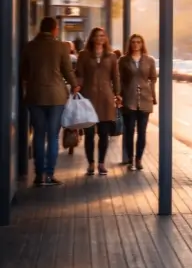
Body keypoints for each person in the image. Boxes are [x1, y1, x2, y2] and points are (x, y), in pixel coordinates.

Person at [20, 17, 80, 186]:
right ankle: (49, 174)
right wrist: (75, 85)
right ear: (55, 29)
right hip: (56, 97)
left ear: (40, 28)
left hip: (35, 96)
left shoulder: (30, 46)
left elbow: (24, 72)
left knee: (39, 135)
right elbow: (67, 70)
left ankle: (39, 175)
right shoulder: (61, 47)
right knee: (52, 136)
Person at [76, 27, 121, 176]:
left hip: (106, 99)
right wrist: (77, 87)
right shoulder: (84, 55)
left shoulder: (112, 56)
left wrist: (118, 94)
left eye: (102, 35)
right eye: (97, 35)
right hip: (88, 97)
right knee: (89, 134)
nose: (100, 38)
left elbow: (115, 77)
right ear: (92, 38)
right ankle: (91, 163)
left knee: (103, 133)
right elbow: (80, 75)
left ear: (105, 38)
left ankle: (101, 163)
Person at [118, 34, 157, 171]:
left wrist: (152, 93)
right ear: (130, 44)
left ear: (142, 44)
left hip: (145, 99)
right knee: (129, 131)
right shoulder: (123, 60)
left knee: (142, 131)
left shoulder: (149, 60)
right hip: (129, 99)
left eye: (138, 42)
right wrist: (119, 95)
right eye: (133, 42)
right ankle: (130, 158)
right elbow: (119, 79)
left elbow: (153, 78)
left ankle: (138, 159)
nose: (136, 44)